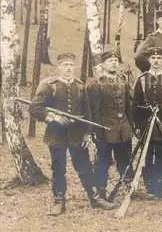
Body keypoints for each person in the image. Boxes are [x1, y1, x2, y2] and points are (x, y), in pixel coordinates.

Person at [30, 53, 116, 216]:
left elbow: (87, 112)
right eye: (64, 65)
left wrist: (87, 135)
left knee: (84, 167)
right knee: (58, 168)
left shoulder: (80, 85)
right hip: (56, 135)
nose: (68, 68)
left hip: (77, 135)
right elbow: (35, 108)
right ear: (58, 67)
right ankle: (59, 201)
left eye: (70, 65)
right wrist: (53, 117)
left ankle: (94, 198)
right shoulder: (48, 85)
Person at [132, 47, 162, 199]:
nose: (156, 61)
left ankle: (160, 184)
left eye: (159, 58)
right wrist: (138, 127)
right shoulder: (142, 79)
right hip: (146, 123)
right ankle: (149, 184)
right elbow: (135, 104)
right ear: (148, 60)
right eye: (153, 58)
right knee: (147, 154)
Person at [86, 49, 134, 200]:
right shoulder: (96, 83)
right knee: (103, 161)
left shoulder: (122, 81)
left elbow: (128, 107)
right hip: (105, 130)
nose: (113, 63)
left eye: (115, 61)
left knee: (125, 158)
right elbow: (94, 110)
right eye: (109, 61)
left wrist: (130, 126)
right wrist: (95, 130)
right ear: (102, 64)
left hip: (123, 129)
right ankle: (101, 190)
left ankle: (128, 186)